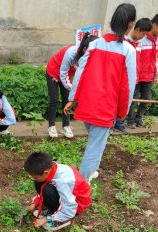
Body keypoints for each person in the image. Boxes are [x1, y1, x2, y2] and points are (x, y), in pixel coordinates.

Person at [64, 3, 137, 182]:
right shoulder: (128, 50)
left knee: (96, 141)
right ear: (130, 23)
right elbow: (128, 86)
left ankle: (93, 170)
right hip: (105, 108)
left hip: (88, 104)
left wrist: (73, 98)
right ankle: (81, 185)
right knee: (94, 148)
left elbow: (80, 72)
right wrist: (123, 112)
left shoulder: (95, 44)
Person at [45, 33, 98, 138]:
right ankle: (51, 125)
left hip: (66, 74)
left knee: (68, 99)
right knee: (54, 99)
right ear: (84, 49)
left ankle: (66, 126)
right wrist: (75, 89)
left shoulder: (89, 56)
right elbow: (62, 74)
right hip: (54, 72)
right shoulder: (71, 53)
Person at [24, 151, 91, 231]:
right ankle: (54, 210)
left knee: (47, 189)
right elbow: (44, 185)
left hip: (77, 205)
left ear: (45, 173)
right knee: (39, 182)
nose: (33, 179)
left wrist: (46, 220)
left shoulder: (62, 181)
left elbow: (70, 208)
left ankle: (62, 220)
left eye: (35, 177)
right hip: (68, 196)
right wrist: (36, 202)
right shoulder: (51, 168)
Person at [114, 18, 153, 132]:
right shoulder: (124, 41)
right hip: (122, 77)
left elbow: (139, 61)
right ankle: (112, 122)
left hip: (133, 78)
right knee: (117, 100)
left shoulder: (139, 43)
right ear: (137, 30)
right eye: (143, 34)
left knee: (127, 100)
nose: (144, 37)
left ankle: (119, 122)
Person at [127, 14, 158, 128]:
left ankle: (138, 118)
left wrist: (156, 74)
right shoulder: (140, 38)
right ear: (154, 25)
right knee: (133, 97)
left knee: (147, 99)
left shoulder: (156, 41)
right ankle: (129, 120)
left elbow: (156, 59)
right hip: (137, 75)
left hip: (149, 75)